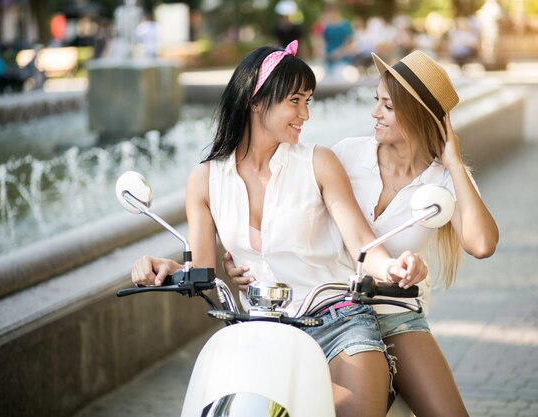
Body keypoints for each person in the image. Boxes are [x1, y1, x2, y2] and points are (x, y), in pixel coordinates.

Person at [130, 41, 429, 417]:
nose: (305, 114)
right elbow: (202, 271)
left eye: (309, 101)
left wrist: (391, 268)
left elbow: (361, 242)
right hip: (257, 330)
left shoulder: (319, 162)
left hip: (338, 322)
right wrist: (167, 268)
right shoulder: (205, 179)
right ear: (256, 101)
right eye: (295, 101)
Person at [225, 50, 499, 417]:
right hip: (324, 308)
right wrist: (248, 260)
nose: (375, 113)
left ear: (418, 115)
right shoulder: (347, 155)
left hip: (394, 312)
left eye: (387, 105)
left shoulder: (445, 179)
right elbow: (289, 220)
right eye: (377, 101)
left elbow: (481, 245)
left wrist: (453, 160)